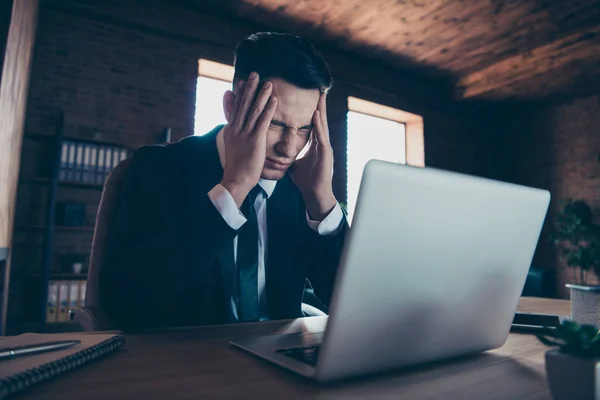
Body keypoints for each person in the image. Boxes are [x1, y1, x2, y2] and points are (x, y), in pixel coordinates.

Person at [99, 32, 348, 331]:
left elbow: (345, 300)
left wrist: (322, 202)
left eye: (305, 129)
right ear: (231, 107)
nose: (289, 148)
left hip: (282, 358)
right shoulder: (159, 167)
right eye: (275, 124)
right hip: (186, 362)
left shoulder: (300, 187)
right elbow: (127, 302)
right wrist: (234, 188)